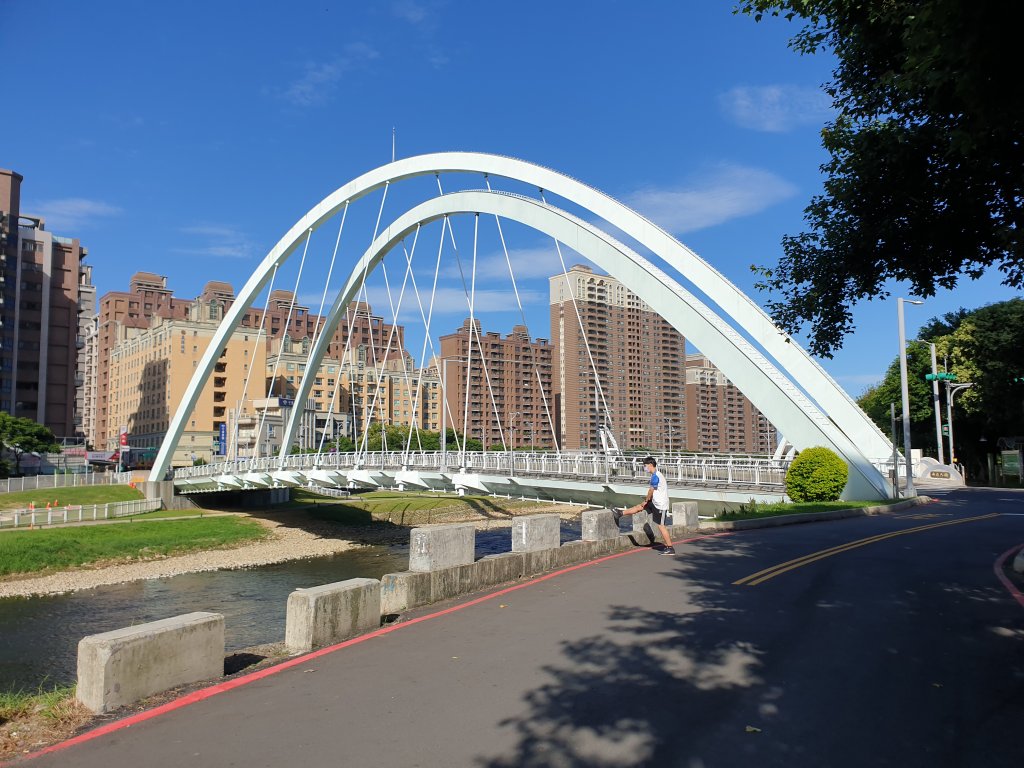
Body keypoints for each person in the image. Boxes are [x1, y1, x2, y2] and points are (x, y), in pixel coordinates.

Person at [614, 456, 675, 555]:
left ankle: (670, 547)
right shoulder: (655, 475)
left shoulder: (656, 476)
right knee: (640, 507)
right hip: (655, 502)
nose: (644, 468)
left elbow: (651, 490)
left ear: (651, 465)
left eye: (645, 466)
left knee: (661, 526)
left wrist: (646, 500)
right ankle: (620, 513)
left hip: (660, 505)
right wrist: (647, 501)